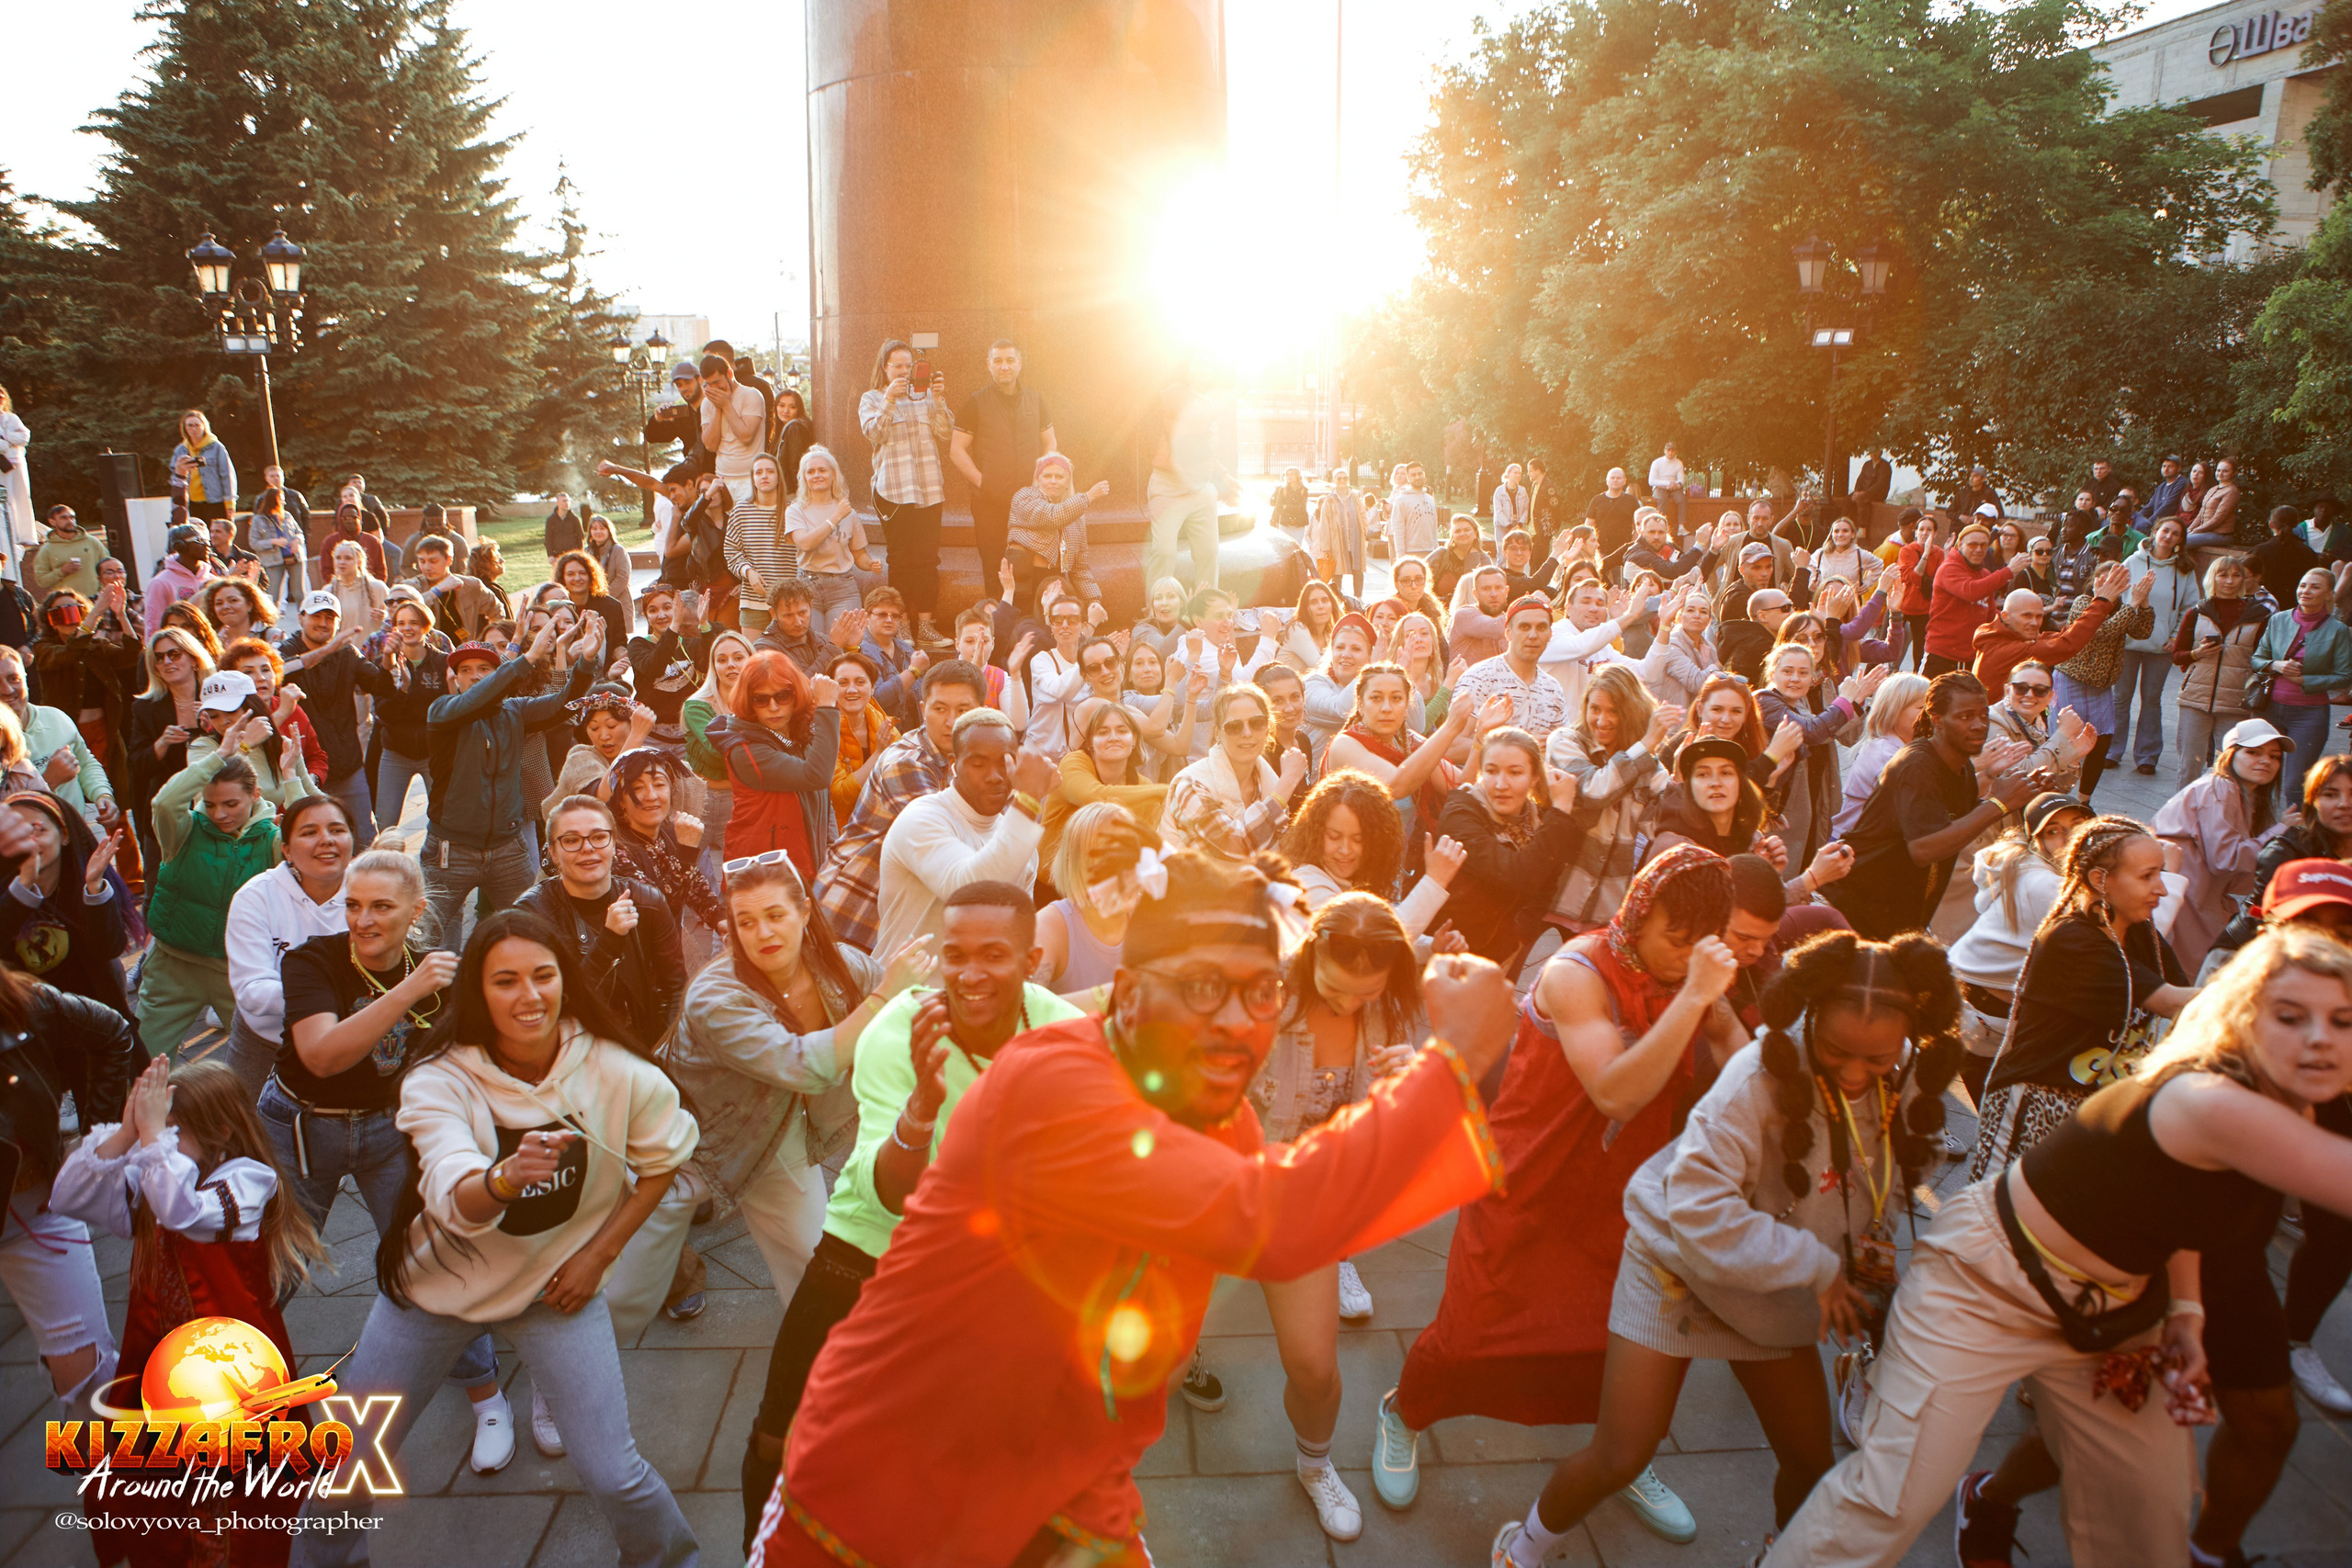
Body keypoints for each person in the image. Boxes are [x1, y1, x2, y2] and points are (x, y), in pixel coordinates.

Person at [752, 852, 1517, 1568]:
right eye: (1201, 987)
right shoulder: (1050, 1078)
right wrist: (1451, 1066)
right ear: (1126, 993)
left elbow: (1289, 1217)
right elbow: (1277, 1217)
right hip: (887, 1482)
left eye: (1260, 991)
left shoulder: (1224, 1122)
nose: (1236, 1021)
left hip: (1058, 1482)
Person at [1767, 926, 2352, 1568]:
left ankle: (1989, 1501)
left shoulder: (2288, 1108)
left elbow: (2185, 1210)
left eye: (2342, 1020)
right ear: (2244, 1017)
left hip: (2113, 1313)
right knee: (1893, 1495)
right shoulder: (2211, 1099)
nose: (2319, 1037)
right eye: (2290, 1016)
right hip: (1985, 1283)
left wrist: (2186, 1310)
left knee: (2146, 1525)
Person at [1487, 931, 1965, 1567]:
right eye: (1836, 1052)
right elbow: (1698, 1211)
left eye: (1876, 1059)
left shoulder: (1909, 1080)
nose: (1855, 1074)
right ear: (1810, 1018)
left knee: (1810, 1461)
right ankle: (1523, 1549)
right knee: (1621, 1454)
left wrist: (1871, 1259)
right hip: (1675, 1267)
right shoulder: (1756, 1076)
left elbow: (1892, 1184)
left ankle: (1780, 1558)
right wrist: (1819, 1265)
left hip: (1771, 1285)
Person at [295, 910, 701, 1565]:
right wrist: (506, 1178)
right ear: (477, 992)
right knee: (347, 1468)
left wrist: (599, 1253)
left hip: (553, 1293)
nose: (529, 995)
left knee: (615, 1474)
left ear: (566, 980)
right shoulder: (439, 1077)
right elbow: (455, 1188)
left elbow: (665, 1159)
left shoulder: (616, 1068)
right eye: (505, 980)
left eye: (544, 975)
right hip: (433, 1291)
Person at [1375, 848, 1740, 1537]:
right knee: (1472, 1329)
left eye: (1701, 943)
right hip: (1530, 1179)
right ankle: (1404, 1413)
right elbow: (1615, 1093)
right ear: (1639, 915)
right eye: (1675, 938)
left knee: (1623, 1338)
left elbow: (1742, 1062)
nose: (1685, 956)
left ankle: (1624, 1455)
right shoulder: (1578, 972)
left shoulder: (1688, 977)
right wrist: (1695, 997)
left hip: (1622, 1196)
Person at [735, 879, 1090, 1551]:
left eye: (994, 954)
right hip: (871, 1248)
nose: (970, 973)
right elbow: (891, 1195)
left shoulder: (1065, 1037)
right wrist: (921, 1111)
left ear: (1032, 960)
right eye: (955, 954)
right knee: (779, 1438)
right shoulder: (899, 1029)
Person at [258, 843, 513, 1464]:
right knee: (274, 1268)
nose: (363, 919)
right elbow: (322, 1055)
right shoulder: (314, 960)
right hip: (303, 1128)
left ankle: (487, 1397)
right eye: (352, 905)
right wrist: (409, 990)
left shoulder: (438, 975)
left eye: (380, 907)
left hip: (388, 1131)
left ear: (416, 910)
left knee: (432, 1256)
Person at [53, 1057, 326, 1568]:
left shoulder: (248, 1180)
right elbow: (67, 1196)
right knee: (153, 1490)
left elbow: (183, 1212)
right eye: (161, 1127)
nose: (157, 1139)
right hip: (154, 1357)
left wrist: (153, 1139)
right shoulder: (162, 1169)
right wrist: (128, 1133)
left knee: (240, 1495)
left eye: (173, 1129)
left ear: (220, 1131)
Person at [138, 700, 320, 1057]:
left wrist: (291, 776)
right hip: (173, 967)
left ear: (255, 795)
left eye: (231, 804)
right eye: (211, 804)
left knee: (265, 1066)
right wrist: (220, 755)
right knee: (144, 1065)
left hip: (239, 972)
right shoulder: (184, 830)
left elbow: (311, 838)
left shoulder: (273, 841)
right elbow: (163, 803)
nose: (219, 814)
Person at [1826, 671, 2048, 940]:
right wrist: (1999, 804)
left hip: (1895, 916)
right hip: (1852, 913)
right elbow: (1923, 848)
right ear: (1937, 719)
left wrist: (2015, 791)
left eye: (1983, 716)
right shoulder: (1916, 765)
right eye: (1965, 717)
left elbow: (1955, 820)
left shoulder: (1959, 764)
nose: (1979, 725)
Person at [420, 619, 600, 948]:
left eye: (484, 669)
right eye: (466, 670)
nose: (475, 676)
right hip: (451, 849)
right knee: (429, 940)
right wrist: (527, 658)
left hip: (507, 849)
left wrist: (586, 661)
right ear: (455, 679)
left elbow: (563, 703)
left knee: (533, 933)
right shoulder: (442, 712)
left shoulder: (515, 711)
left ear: (496, 673)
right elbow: (474, 700)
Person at [813, 660, 987, 950]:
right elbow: (950, 847)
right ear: (923, 709)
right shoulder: (907, 763)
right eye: (940, 708)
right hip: (850, 912)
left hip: (892, 918)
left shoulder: (963, 758)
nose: (951, 721)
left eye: (963, 711)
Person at [873, 705, 1055, 956]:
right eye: (978, 764)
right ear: (953, 765)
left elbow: (1016, 935)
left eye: (1005, 763)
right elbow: (970, 895)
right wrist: (1029, 801)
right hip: (907, 982)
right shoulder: (922, 817)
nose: (994, 776)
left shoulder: (1019, 837)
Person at [517, 795, 684, 1055]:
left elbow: (676, 990)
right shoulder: (532, 915)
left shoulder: (648, 902)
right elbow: (555, 1008)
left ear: (614, 844)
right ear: (553, 853)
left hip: (644, 1047)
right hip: (567, 1052)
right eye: (571, 840)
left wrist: (661, 1055)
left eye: (598, 837)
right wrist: (609, 941)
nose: (587, 848)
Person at [1546, 663, 1681, 934]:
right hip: (1551, 894)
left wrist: (1680, 779)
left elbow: (1660, 827)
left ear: (1631, 712)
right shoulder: (1565, 741)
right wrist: (1647, 743)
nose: (1601, 720)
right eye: (1595, 708)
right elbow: (1593, 791)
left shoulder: (1649, 765)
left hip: (1603, 909)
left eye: (1614, 711)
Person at [2152, 717, 2289, 974]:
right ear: (2231, 754)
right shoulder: (2220, 787)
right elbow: (2226, 860)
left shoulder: (2241, 794)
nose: (2266, 761)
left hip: (2196, 894)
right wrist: (2280, 831)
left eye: (2275, 756)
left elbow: (2237, 879)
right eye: (2253, 752)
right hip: (2182, 891)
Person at [704, 651, 842, 880]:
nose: (773, 706)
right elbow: (817, 776)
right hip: (759, 878)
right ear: (749, 703)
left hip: (803, 869)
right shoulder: (745, 750)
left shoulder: (800, 733)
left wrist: (830, 845)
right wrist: (827, 707)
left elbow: (822, 795)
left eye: (783, 695)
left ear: (796, 695)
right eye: (761, 699)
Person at [858, 340, 954, 646]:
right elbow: (874, 433)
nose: (903, 371)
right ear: (884, 368)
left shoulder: (925, 397)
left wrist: (938, 399)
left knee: (927, 559)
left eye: (907, 365)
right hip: (893, 491)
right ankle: (900, 626)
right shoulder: (872, 398)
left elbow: (945, 432)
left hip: (929, 489)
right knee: (900, 560)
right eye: (896, 366)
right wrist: (889, 399)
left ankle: (925, 626)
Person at [1162, 684, 1309, 864]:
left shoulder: (1268, 778)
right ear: (1217, 733)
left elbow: (1282, 851)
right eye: (1234, 726)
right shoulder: (1191, 784)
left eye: (1256, 723)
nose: (1247, 733)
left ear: (1268, 728)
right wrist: (1286, 784)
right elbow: (1236, 848)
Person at [949, 337, 1057, 584]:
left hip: (1030, 501)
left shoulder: (1036, 400)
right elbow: (956, 450)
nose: (1004, 366)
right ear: (989, 364)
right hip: (990, 502)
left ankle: (1028, 611)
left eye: (1010, 360)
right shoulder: (975, 402)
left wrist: (1041, 479)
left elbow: (1050, 442)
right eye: (998, 361)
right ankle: (999, 610)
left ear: (1020, 364)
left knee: (1033, 566)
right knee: (995, 566)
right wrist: (983, 482)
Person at [2252, 565, 2352, 804]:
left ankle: (2296, 827)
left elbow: (2345, 676)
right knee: (2257, 782)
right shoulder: (2278, 620)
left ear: (2329, 595)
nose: (2305, 591)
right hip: (2269, 710)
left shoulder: (2337, 630)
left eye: (2315, 587)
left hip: (2309, 714)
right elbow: (2257, 659)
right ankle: (2256, 826)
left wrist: (2306, 681)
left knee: (2295, 787)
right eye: (2303, 585)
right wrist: (2276, 665)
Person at [2172, 553, 2269, 787]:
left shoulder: (2259, 616)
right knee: (2189, 765)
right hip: (2195, 698)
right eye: (2223, 575)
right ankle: (2183, 809)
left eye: (2236, 575)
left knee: (2229, 767)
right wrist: (2197, 654)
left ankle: (2224, 808)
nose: (2229, 581)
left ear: (2244, 580)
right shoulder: (2197, 612)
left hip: (2235, 701)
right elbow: (2177, 655)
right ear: (2212, 578)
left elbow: (2263, 659)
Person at [2116, 518, 2200, 775]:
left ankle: (2147, 756)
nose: (2169, 536)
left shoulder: (2184, 569)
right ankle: (2110, 751)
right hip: (2128, 643)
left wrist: (2176, 637)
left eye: (2175, 534)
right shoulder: (2132, 562)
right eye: (2165, 530)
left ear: (2180, 540)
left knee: (2152, 699)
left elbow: (2190, 608)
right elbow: (2116, 598)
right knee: (2120, 698)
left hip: (2162, 646)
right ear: (2155, 533)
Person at [1039, 697, 1165, 870]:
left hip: (1105, 881)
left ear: (1134, 739)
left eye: (1122, 731)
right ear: (1090, 742)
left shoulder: (1143, 787)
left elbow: (1143, 846)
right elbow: (1095, 797)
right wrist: (1165, 790)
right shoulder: (1073, 763)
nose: (1113, 738)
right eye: (1103, 732)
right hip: (1051, 880)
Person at [1833, 672, 1931, 836]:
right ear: (1894, 711)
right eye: (1922, 708)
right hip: (1854, 843)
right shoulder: (1885, 754)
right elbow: (1919, 805)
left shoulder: (1900, 746)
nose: (1929, 714)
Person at [1921, 515, 2013, 675]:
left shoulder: (1985, 574)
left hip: (1971, 657)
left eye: (1983, 545)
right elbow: (1970, 591)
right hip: (1941, 655)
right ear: (1960, 545)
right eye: (1972, 544)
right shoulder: (1949, 568)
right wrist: (2008, 571)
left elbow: (1990, 614)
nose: (1978, 549)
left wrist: (2013, 623)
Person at [725, 452, 797, 638]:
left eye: (770, 471)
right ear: (753, 479)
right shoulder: (741, 511)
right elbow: (731, 550)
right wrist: (748, 571)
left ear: (778, 477)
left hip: (789, 601)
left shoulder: (792, 510)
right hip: (753, 601)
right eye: (758, 472)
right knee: (755, 655)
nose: (764, 476)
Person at [551, 547, 629, 654]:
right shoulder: (555, 606)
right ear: (562, 578)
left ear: (591, 575)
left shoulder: (612, 606)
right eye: (570, 574)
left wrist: (621, 654)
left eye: (582, 573)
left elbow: (619, 644)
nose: (577, 578)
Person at [168, 408, 237, 521]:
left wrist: (230, 504)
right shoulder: (181, 450)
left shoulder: (216, 447)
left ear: (204, 426)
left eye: (197, 425)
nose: (194, 429)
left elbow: (228, 476)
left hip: (215, 501)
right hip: (192, 503)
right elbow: (175, 476)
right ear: (184, 428)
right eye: (190, 425)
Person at [31, 502, 108, 603]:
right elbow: (41, 581)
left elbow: (108, 567)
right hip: (68, 604)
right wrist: (62, 571)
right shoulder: (47, 549)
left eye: (72, 517)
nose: (70, 521)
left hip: (96, 599)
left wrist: (102, 592)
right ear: (52, 522)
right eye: (63, 518)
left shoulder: (92, 542)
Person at [1314, 469, 1369, 600]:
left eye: (1344, 478)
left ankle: (1358, 598)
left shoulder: (1355, 497)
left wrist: (1363, 532)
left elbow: (1363, 516)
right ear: (1335, 480)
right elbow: (1324, 524)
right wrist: (1326, 546)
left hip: (1354, 541)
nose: (1342, 481)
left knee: (1358, 571)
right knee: (1337, 573)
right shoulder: (1329, 500)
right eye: (1339, 478)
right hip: (1337, 542)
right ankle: (1337, 599)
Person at [2184, 454, 2246, 548]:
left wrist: (2196, 530)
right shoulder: (2213, 489)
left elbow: (2218, 519)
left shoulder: (2232, 491)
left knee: (2182, 541)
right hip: (2205, 533)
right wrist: (2190, 529)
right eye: (2218, 470)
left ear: (2234, 473)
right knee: (2177, 537)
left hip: (2220, 535)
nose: (2220, 474)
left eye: (2225, 471)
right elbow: (2201, 513)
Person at [543, 491, 585, 558]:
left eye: (568, 501)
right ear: (557, 503)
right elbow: (548, 539)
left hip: (572, 556)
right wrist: (550, 555)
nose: (566, 503)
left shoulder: (575, 519)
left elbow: (580, 538)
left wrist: (580, 554)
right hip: (557, 556)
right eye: (564, 501)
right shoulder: (551, 520)